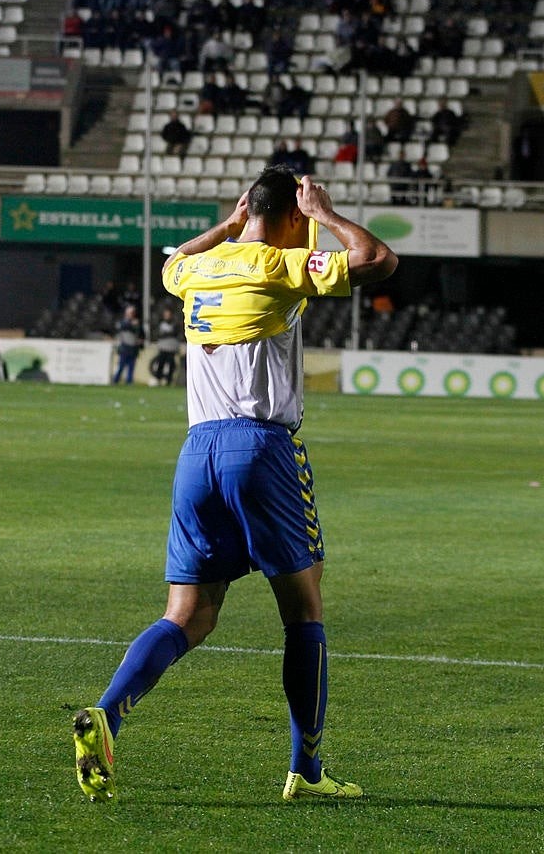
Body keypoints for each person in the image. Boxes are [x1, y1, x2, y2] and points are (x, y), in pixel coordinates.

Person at [73, 166, 398, 804]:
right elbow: (377, 259)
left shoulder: (196, 271)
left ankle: (108, 714)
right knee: (303, 612)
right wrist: (326, 214)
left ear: (245, 208)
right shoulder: (277, 266)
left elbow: (175, 264)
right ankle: (306, 770)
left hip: (197, 452)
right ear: (289, 218)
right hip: (262, 447)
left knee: (187, 615)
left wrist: (226, 225)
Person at [112, 304, 144, 384]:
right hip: (125, 347)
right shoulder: (123, 322)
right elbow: (122, 327)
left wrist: (140, 340)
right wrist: (132, 324)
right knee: (121, 366)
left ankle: (129, 382)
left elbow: (141, 334)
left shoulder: (136, 323)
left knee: (131, 367)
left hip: (133, 348)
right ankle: (115, 380)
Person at [149, 306, 180, 386]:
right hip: (163, 347)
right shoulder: (161, 323)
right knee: (160, 363)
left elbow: (175, 333)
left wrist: (165, 334)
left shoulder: (174, 323)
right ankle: (158, 379)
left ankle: (168, 381)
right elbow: (158, 334)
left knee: (171, 364)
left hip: (171, 348)